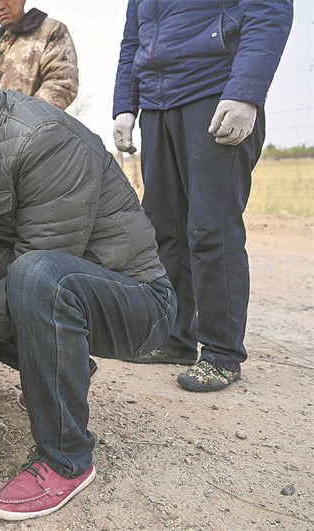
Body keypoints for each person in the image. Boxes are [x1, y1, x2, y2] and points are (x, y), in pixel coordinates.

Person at [0, 49, 176, 522]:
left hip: (136, 303)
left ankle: (67, 461)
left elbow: (39, 268)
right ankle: (69, 369)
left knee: (33, 277)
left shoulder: (45, 140)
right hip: (66, 291)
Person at [112, 1, 293, 392]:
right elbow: (133, 38)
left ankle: (221, 353)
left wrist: (246, 92)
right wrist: (125, 104)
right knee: (163, 230)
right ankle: (174, 339)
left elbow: (269, 9)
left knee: (210, 228)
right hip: (158, 104)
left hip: (215, 92)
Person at [0, 0, 78, 110]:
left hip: (34, 125)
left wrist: (20, 120)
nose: (0, 6)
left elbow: (61, 83)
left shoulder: (50, 31)